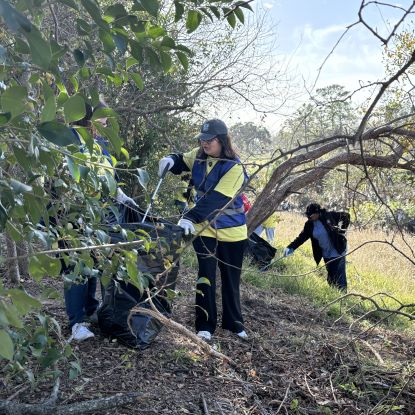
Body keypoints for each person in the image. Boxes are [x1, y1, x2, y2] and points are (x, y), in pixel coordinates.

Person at [158, 119, 248, 341]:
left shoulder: (235, 168)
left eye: (209, 140)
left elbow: (217, 201)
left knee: (230, 277)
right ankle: (204, 326)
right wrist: (171, 159)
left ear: (222, 141)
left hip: (233, 233)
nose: (204, 143)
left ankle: (234, 323)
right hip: (204, 230)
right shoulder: (199, 155)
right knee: (205, 276)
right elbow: (182, 160)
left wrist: (189, 217)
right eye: (202, 139)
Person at [64, 102, 136, 342]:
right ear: (88, 120)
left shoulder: (101, 145)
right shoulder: (70, 141)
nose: (105, 127)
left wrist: (122, 196)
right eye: (102, 122)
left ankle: (90, 309)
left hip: (99, 216)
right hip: (73, 214)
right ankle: (76, 322)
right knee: (76, 268)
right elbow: (66, 178)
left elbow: (109, 180)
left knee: (93, 262)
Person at [283, 203, 350, 291]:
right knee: (331, 277)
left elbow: (346, 216)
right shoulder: (309, 225)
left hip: (338, 250)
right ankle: (335, 295)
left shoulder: (329, 216)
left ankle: (343, 297)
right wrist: (290, 247)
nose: (309, 218)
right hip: (326, 253)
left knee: (339, 277)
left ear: (318, 213)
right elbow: (301, 238)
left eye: (311, 216)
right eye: (308, 215)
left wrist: (341, 231)